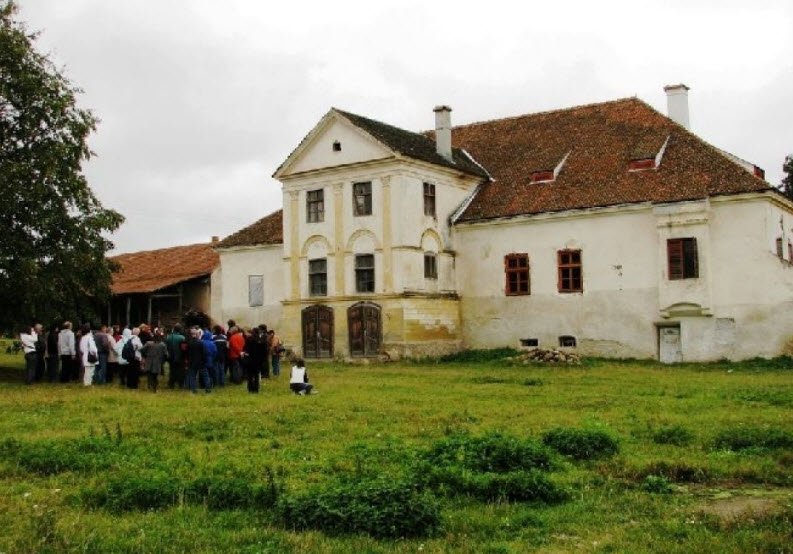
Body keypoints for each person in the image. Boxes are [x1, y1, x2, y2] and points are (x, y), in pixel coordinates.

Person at [187, 328, 211, 394]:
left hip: (192, 363)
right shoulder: (201, 342)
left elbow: (188, 354)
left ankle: (194, 390)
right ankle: (208, 389)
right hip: (201, 363)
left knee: (192, 377)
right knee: (205, 376)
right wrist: (205, 361)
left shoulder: (189, 343)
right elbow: (205, 353)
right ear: (197, 334)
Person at [244, 327, 268, 393]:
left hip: (250, 359)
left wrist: (246, 355)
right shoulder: (261, 340)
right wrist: (263, 359)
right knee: (256, 375)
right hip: (258, 360)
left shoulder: (249, 339)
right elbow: (265, 351)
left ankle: (250, 388)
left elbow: (246, 349)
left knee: (250, 375)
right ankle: (256, 389)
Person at [165, 324, 186, 389]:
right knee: (181, 371)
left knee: (172, 370)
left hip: (171, 357)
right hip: (180, 357)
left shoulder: (169, 337)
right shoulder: (182, 337)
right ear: (180, 329)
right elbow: (184, 349)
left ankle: (171, 384)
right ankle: (181, 384)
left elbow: (167, 347)